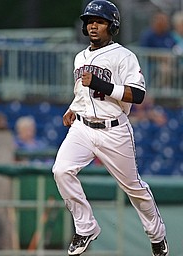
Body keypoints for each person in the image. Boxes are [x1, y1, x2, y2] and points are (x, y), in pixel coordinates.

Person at [52, 1, 169, 256]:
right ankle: (86, 227)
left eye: (100, 21)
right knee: (61, 170)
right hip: (83, 127)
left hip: (114, 130)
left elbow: (137, 95)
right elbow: (82, 91)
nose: (93, 25)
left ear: (112, 25)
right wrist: (74, 107)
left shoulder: (124, 56)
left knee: (134, 188)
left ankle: (157, 234)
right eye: (89, 21)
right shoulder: (80, 57)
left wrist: (102, 85)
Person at [139, 11, 176, 88]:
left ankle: (166, 88)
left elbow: (175, 47)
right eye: (162, 21)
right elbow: (144, 51)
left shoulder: (168, 35)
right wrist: (160, 56)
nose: (165, 23)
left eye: (166, 21)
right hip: (152, 63)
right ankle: (153, 91)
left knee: (172, 69)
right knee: (165, 69)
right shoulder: (148, 35)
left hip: (170, 63)